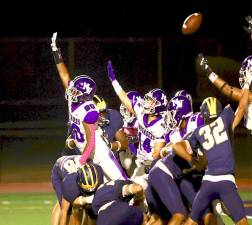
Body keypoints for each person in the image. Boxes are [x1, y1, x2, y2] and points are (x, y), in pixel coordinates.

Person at [172, 72, 251, 225]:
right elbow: (242, 107)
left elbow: (179, 146)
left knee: (192, 221)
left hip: (207, 182)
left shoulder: (198, 132)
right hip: (226, 181)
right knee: (242, 222)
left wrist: (194, 161)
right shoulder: (226, 118)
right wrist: (246, 84)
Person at [106, 60, 167, 190]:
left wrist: (149, 162)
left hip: (154, 164)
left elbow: (157, 153)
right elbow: (124, 98)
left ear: (158, 105)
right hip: (141, 162)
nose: (146, 103)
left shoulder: (161, 124)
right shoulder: (141, 113)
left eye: (151, 101)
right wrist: (114, 81)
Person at [197, 53, 252, 132]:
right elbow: (227, 89)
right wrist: (208, 71)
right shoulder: (247, 93)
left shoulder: (248, 95)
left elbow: (241, 108)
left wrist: (231, 127)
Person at [51, 156, 104, 225]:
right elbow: (64, 211)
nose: (90, 191)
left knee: (92, 212)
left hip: (78, 165)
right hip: (59, 171)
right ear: (79, 182)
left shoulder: (99, 172)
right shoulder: (70, 182)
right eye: (86, 189)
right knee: (66, 207)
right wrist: (84, 200)